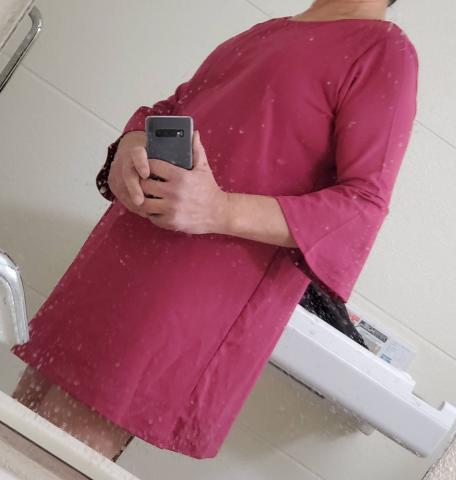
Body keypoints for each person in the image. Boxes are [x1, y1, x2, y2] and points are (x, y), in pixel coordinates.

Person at [10, 0, 417, 462]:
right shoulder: (270, 31)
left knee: (49, 458)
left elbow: (362, 205)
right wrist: (132, 142)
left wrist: (220, 209)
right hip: (121, 260)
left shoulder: (384, 51)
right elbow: (176, 110)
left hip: (185, 297)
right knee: (17, 432)